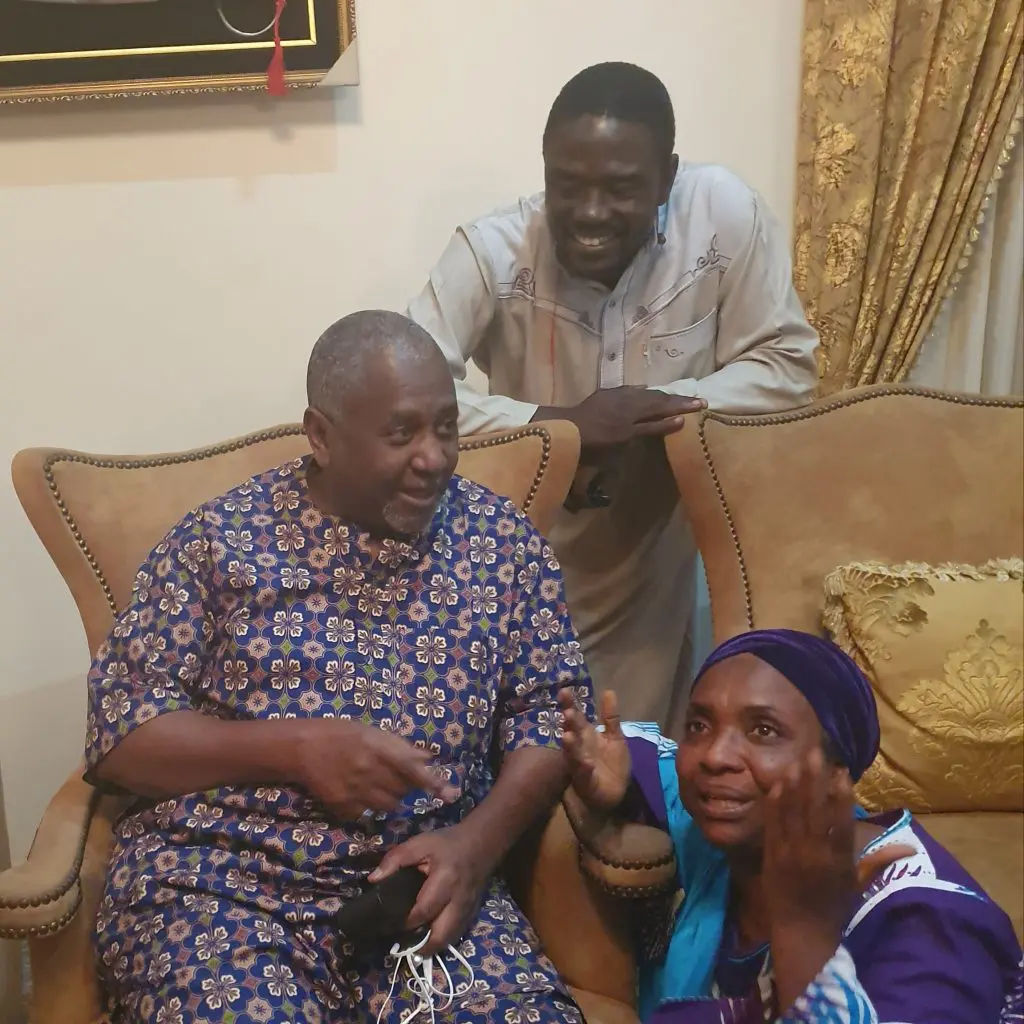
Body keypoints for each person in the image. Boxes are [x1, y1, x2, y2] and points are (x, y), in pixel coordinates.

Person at [85, 310, 593, 1024]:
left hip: (425, 892)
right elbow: (121, 735)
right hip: (221, 891)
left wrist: (477, 846)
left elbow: (552, 716)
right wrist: (297, 747)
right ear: (320, 436)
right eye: (402, 434)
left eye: (446, 427)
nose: (434, 458)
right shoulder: (219, 542)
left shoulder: (501, 543)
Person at [407, 62, 819, 732]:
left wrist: (644, 417)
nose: (590, 213)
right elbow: (409, 394)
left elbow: (787, 365)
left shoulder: (722, 216)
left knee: (634, 749)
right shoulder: (492, 250)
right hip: (520, 548)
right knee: (518, 740)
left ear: (666, 176)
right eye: (567, 185)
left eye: (622, 189)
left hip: (656, 544)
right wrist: (559, 429)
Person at [560, 629, 1023, 1022]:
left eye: (763, 730)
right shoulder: (728, 818)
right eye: (699, 726)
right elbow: (631, 751)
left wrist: (803, 933)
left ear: (837, 771)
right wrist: (616, 787)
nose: (715, 756)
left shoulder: (928, 919)